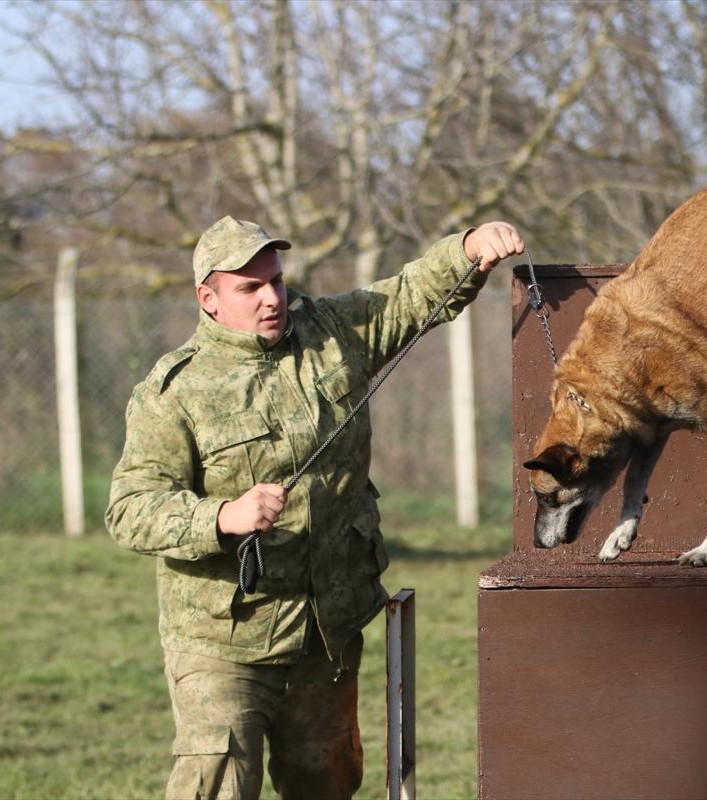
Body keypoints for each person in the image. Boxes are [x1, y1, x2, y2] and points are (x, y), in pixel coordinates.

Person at [105, 216, 524, 800]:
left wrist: (468, 249)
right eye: (249, 289)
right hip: (223, 643)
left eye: (275, 281)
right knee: (219, 785)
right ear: (208, 299)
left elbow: (406, 298)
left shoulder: (330, 332)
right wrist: (223, 516)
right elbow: (130, 507)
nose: (271, 298)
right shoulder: (174, 391)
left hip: (327, 630)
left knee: (324, 784)